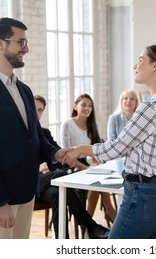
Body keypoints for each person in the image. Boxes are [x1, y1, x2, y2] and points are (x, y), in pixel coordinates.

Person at [0, 17, 70, 239]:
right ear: (0, 44)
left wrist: (55, 153)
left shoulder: (25, 91)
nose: (26, 49)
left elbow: (36, 138)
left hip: (26, 194)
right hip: (1, 200)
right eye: (21, 42)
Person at [66, 44, 156, 239]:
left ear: (155, 65)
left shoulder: (151, 107)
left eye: (140, 60)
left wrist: (80, 149)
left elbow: (116, 148)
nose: (135, 65)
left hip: (144, 195)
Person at [34, 95, 109, 239]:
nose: (36, 112)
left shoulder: (44, 133)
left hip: (46, 180)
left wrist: (51, 164)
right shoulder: (20, 132)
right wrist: (39, 167)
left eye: (40, 110)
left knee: (58, 192)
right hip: (30, 181)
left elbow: (56, 154)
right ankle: (90, 226)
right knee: (63, 177)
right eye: (34, 108)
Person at [60, 94, 118, 224]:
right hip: (71, 166)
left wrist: (95, 165)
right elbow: (68, 156)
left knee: (98, 180)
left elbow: (96, 151)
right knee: (97, 181)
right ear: (75, 106)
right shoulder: (67, 124)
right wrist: (87, 169)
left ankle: (88, 225)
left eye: (90, 106)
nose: (87, 108)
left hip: (88, 165)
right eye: (84, 105)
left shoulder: (93, 124)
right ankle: (110, 214)